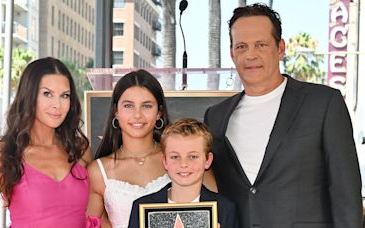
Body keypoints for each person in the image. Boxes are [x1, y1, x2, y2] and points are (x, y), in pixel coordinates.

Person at [204, 3, 362, 228]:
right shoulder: (216, 117)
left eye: (261, 45)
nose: (251, 55)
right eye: (241, 46)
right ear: (232, 54)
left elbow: (346, 194)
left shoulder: (323, 103)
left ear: (280, 48)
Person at [0, 57, 92, 227]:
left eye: (65, 95)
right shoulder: (5, 153)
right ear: (29, 96)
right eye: (47, 94)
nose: (57, 105)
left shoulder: (79, 149)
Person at [85, 70, 172, 228]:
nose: (137, 115)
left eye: (146, 106)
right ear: (116, 112)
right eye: (128, 106)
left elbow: (212, 210)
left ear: (159, 112)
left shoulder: (179, 158)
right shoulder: (98, 172)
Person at [128, 118, 239, 228]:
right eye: (175, 157)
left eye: (192, 157)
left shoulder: (224, 209)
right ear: (165, 161)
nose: (183, 164)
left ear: (208, 160)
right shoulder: (143, 207)